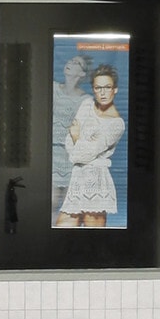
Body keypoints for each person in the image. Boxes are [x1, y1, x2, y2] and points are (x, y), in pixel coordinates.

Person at [54, 63, 126, 228]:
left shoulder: (116, 123)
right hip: (77, 179)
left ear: (115, 89)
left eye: (107, 87)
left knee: (94, 239)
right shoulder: (87, 105)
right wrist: (82, 144)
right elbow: (69, 144)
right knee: (61, 230)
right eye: (98, 88)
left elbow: (80, 151)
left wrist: (77, 136)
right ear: (93, 89)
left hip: (97, 182)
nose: (102, 92)